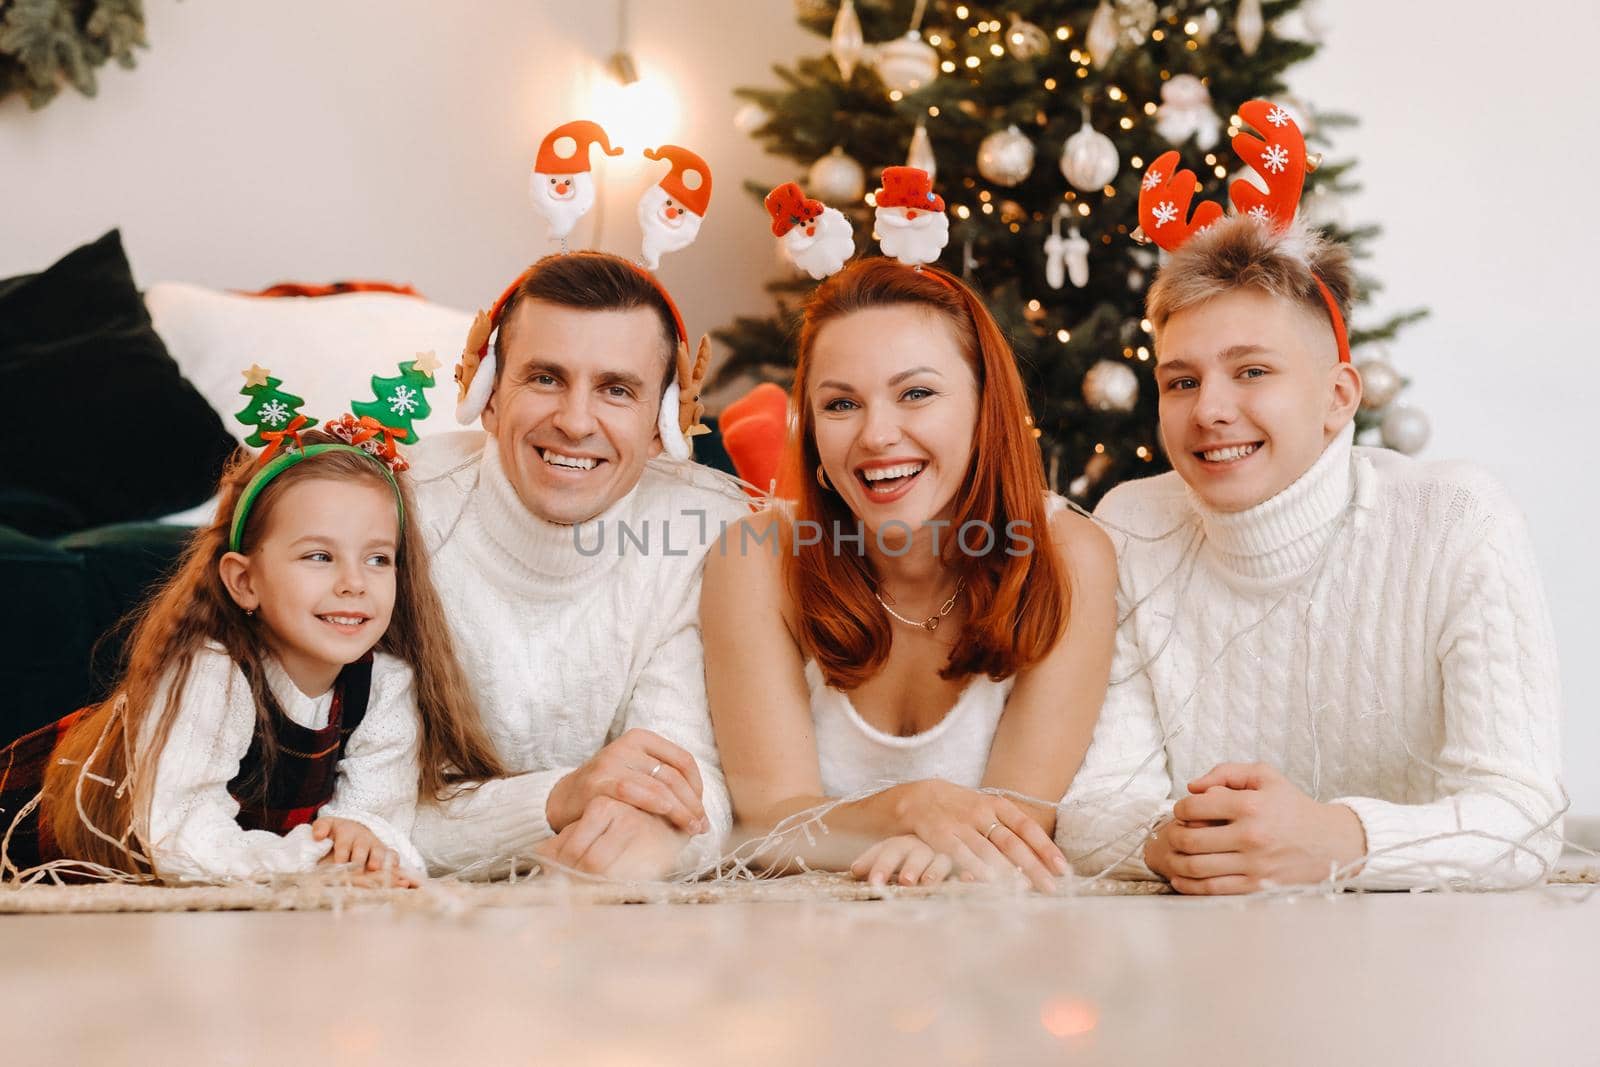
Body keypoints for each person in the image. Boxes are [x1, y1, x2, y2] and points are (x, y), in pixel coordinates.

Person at [1056, 213, 1564, 892]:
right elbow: (1092, 806)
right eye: (1181, 381)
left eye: (1252, 371)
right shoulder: (1132, 526)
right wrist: (1161, 841)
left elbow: (1525, 820)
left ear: (1338, 397)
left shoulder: (1459, 522)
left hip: (1425, 956)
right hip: (1203, 960)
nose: (1209, 409)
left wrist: (1337, 841)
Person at [702, 257, 1116, 892]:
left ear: (986, 407)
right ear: (811, 429)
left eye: (916, 393)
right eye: (840, 404)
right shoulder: (756, 554)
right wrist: (907, 807)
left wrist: (922, 847)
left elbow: (1014, 827)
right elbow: (767, 829)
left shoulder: (1067, 554)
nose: (877, 435)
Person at [0, 428, 503, 885]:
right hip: (35, 827)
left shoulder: (386, 685)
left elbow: (381, 812)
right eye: (319, 556)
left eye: (377, 558)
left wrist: (362, 846)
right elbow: (181, 836)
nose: (354, 583)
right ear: (245, 581)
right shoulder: (212, 671)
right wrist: (308, 863)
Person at [406, 251, 748, 881]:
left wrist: (648, 835)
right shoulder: (398, 515)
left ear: (660, 427)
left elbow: (695, 784)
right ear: (486, 398)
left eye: (616, 390)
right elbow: (361, 813)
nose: (575, 421)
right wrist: (558, 802)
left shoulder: (707, 529)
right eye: (545, 379)